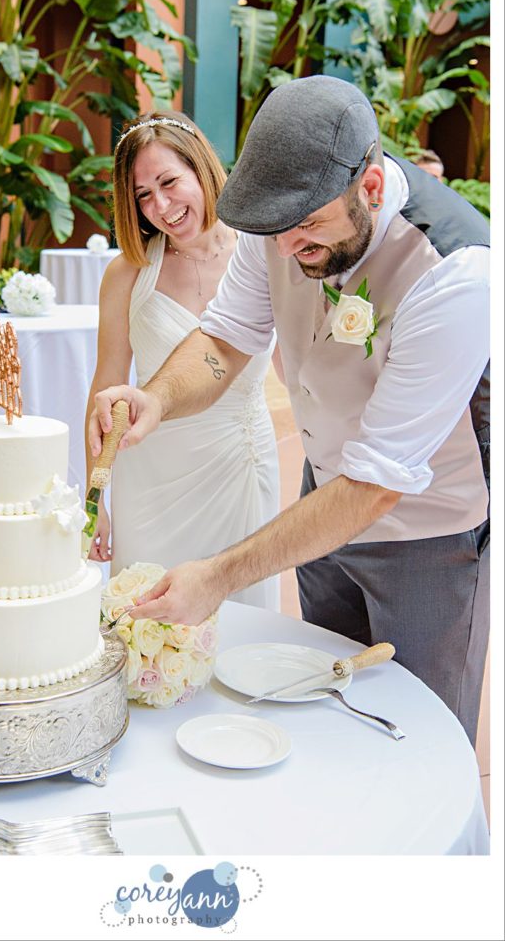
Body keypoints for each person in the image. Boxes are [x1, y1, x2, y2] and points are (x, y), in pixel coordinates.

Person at [90, 77, 490, 745]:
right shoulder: (278, 222)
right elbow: (224, 340)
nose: (282, 249)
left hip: (426, 539)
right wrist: (155, 397)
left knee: (417, 738)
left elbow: (376, 483)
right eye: (273, 229)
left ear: (368, 185)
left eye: (305, 227)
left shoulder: (455, 274)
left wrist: (218, 576)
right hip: (320, 511)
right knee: (323, 721)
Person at [84, 112, 281, 610]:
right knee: (146, 622)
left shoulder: (263, 255)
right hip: (150, 478)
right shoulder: (127, 273)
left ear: (201, 169)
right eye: (143, 195)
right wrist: (94, 502)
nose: (162, 206)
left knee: (242, 622)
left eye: (169, 181)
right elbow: (105, 388)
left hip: (239, 463)